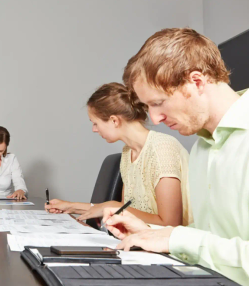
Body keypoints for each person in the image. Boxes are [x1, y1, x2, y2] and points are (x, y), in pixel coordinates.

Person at [103, 27, 249, 286]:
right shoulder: (202, 147)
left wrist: (176, 238)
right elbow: (214, 236)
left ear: (197, 82)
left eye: (159, 103)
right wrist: (149, 232)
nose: (154, 119)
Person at [45, 83, 192, 227]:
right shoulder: (128, 153)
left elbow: (169, 223)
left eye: (95, 123)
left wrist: (112, 206)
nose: (94, 129)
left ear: (114, 120)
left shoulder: (162, 149)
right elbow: (126, 210)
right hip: (142, 243)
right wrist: (71, 207)